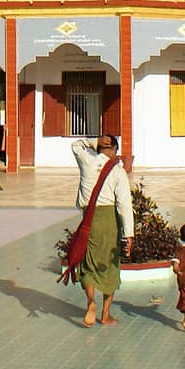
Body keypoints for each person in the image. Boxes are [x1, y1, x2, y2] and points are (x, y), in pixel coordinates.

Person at [71, 133, 134, 328]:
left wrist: (92, 141)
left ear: (98, 147)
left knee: (88, 262)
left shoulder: (87, 162)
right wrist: (128, 234)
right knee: (109, 265)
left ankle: (91, 302)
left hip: (88, 218)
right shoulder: (118, 171)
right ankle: (105, 315)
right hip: (109, 221)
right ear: (114, 149)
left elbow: (76, 145)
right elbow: (124, 204)